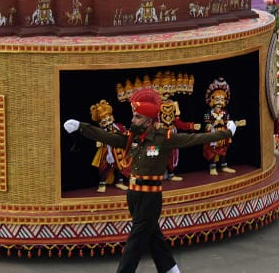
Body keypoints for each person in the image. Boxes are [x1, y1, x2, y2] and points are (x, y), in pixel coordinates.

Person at [64, 88, 234, 273]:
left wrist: (227, 133)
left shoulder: (163, 138)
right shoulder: (133, 137)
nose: (132, 120)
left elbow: (195, 138)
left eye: (137, 117)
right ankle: (171, 269)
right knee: (153, 237)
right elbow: (108, 137)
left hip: (150, 198)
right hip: (133, 195)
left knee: (134, 244)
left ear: (148, 119)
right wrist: (81, 127)